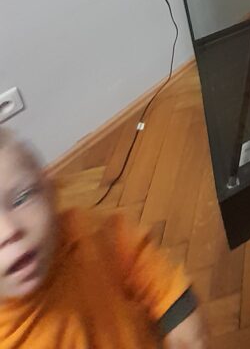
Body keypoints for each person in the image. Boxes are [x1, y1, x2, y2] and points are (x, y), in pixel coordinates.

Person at [0, 126, 208, 347]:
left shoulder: (86, 233)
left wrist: (178, 315)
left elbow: (143, 264)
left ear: (49, 189)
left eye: (21, 199)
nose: (9, 231)